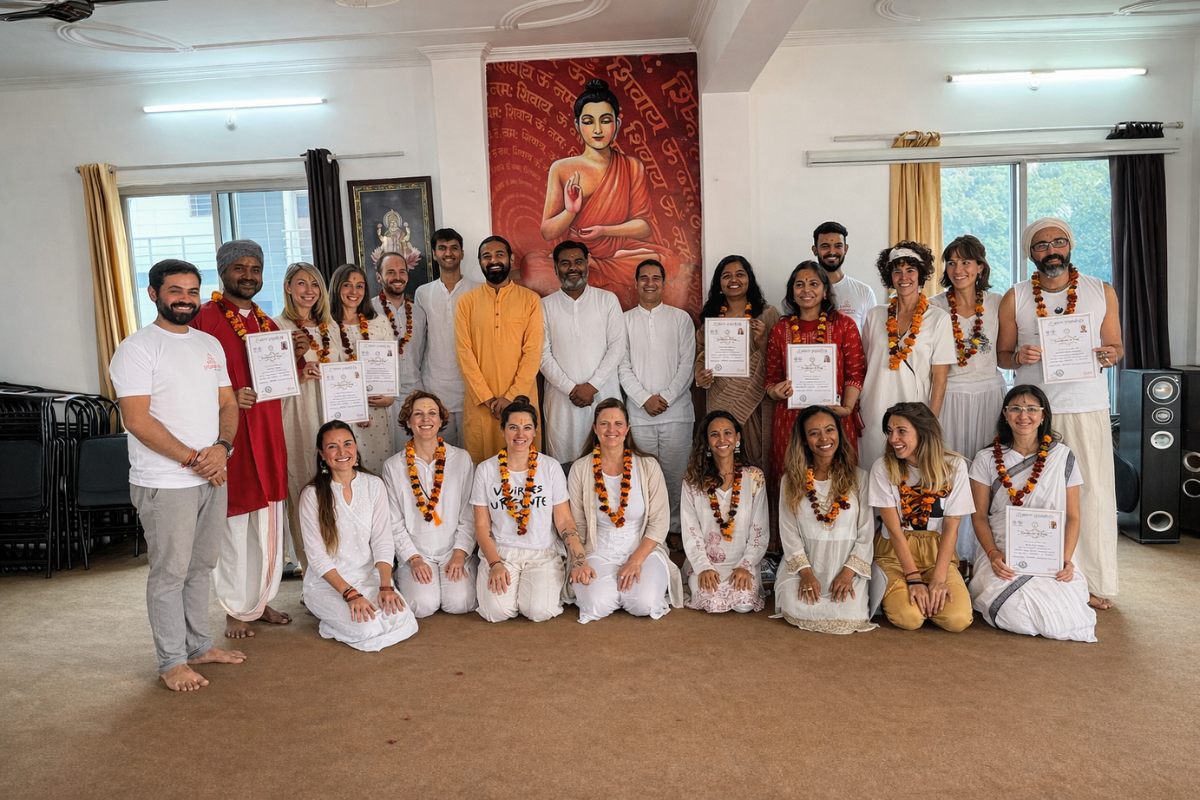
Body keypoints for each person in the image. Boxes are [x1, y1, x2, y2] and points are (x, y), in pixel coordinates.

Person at [110, 258, 246, 691]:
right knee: (170, 571)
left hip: (211, 473)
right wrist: (193, 459)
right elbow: (136, 419)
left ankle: (198, 645)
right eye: (175, 291)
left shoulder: (208, 345)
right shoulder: (137, 348)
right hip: (165, 481)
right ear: (154, 294)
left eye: (192, 291)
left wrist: (222, 450)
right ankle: (171, 662)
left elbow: (228, 404)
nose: (185, 300)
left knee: (201, 565)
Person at [997, 217, 1122, 611]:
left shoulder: (1100, 290)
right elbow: (1002, 355)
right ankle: (1044, 574)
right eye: (1041, 245)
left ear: (1069, 246)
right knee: (1038, 497)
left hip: (1086, 405)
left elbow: (1116, 347)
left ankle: (1096, 581)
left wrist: (1110, 355)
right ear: (1030, 254)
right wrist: (1017, 356)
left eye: (1058, 242)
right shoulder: (1014, 296)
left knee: (1094, 494)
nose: (1051, 250)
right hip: (1033, 413)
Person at [190, 239, 290, 638]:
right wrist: (229, 396)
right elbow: (191, 378)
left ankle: (260, 601)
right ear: (223, 272)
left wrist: (297, 357)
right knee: (235, 527)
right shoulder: (205, 318)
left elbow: (279, 379)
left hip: (268, 436)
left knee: (268, 524)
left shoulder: (267, 323)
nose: (248, 275)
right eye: (239, 268)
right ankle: (235, 608)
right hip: (230, 439)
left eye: (255, 268)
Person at [522, 78, 681, 309]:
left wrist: (604, 231)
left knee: (663, 263)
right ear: (577, 125)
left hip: (617, 255)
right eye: (588, 121)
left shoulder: (632, 166)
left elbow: (644, 225)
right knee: (531, 267)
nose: (597, 129)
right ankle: (592, 269)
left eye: (605, 120)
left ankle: (596, 269)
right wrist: (570, 211)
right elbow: (548, 232)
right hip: (578, 259)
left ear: (617, 123)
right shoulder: (562, 168)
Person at [967, 385, 1097, 642]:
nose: (1023, 415)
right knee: (1014, 613)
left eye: (1031, 409)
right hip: (1002, 551)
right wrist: (993, 555)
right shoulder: (985, 459)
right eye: (1015, 408)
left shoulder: (1062, 456)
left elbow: (1073, 516)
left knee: (1070, 610)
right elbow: (979, 515)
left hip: (1051, 553)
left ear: (1043, 415)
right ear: (1005, 414)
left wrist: (1066, 560)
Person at [299, 421, 419, 650]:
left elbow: (382, 540)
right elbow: (316, 557)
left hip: (369, 576)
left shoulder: (374, 485)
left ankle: (354, 612)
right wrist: (351, 594)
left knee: (404, 619)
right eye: (333, 447)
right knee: (368, 628)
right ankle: (329, 622)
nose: (342, 452)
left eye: (347, 444)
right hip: (329, 584)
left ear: (356, 447)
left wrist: (386, 587)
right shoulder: (312, 494)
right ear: (322, 454)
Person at [566, 399, 684, 623]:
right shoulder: (580, 469)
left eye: (618, 423)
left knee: (644, 604)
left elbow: (659, 523)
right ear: (594, 428)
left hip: (643, 549)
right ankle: (611, 590)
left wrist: (635, 561)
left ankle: (631, 588)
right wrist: (580, 561)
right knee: (595, 605)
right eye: (604, 424)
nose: (612, 430)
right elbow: (577, 525)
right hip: (597, 550)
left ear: (628, 428)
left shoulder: (648, 466)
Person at [929, 235, 1006, 567]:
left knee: (988, 472)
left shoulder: (998, 302)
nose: (959, 269)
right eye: (952, 262)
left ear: (980, 267)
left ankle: (985, 553)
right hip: (951, 397)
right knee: (951, 473)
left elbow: (1005, 352)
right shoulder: (933, 305)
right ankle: (952, 555)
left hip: (990, 394)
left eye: (966, 262)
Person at [869, 402, 974, 632]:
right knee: (909, 618)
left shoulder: (954, 466)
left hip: (938, 554)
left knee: (957, 620)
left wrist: (938, 578)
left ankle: (931, 596)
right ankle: (912, 595)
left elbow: (951, 527)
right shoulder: (883, 467)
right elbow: (894, 529)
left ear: (923, 432)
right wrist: (914, 579)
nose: (893, 438)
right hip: (895, 555)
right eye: (889, 431)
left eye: (901, 431)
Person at [471, 396, 577, 622]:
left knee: (539, 611)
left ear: (535, 431)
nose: (520, 435)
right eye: (513, 427)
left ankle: (530, 589)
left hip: (542, 554)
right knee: (496, 612)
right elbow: (481, 526)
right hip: (502, 553)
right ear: (502, 430)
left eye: (527, 427)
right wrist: (495, 563)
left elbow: (564, 520)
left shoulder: (550, 467)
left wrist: (578, 557)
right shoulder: (486, 470)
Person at [775, 406, 876, 634]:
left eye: (829, 430)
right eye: (814, 433)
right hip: (805, 566)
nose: (824, 438)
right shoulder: (790, 481)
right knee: (796, 606)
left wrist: (848, 573)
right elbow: (788, 532)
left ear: (839, 434)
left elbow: (866, 532)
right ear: (804, 440)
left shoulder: (860, 478)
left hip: (846, 566)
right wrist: (806, 574)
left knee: (851, 615)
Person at [617, 258, 696, 544]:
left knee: (675, 478)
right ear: (636, 283)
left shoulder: (680, 319)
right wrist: (643, 399)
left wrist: (664, 397)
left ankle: (673, 530)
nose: (649, 283)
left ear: (664, 283)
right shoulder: (623, 320)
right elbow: (621, 365)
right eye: (644, 278)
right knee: (643, 478)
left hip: (677, 415)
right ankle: (648, 532)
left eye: (656, 278)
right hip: (638, 416)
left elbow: (688, 364)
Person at [858, 242, 957, 469]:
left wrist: (929, 423)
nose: (904, 277)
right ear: (889, 276)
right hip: (873, 411)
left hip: (914, 416)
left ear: (921, 275)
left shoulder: (938, 318)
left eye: (910, 270)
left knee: (910, 479)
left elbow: (940, 380)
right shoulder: (875, 315)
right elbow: (861, 366)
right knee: (873, 472)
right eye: (897, 271)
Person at [765, 260, 866, 478]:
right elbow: (770, 380)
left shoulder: (844, 325)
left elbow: (856, 372)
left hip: (835, 416)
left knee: (837, 478)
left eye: (814, 283)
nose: (806, 290)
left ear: (825, 290)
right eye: (799, 284)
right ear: (792, 292)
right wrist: (776, 391)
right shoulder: (780, 330)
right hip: (790, 419)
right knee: (792, 479)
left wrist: (847, 408)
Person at [382, 391, 477, 617]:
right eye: (418, 414)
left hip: (453, 550)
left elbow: (469, 514)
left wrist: (460, 553)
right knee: (422, 606)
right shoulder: (393, 466)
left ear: (442, 419)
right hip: (416, 553)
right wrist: (413, 560)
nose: (426, 419)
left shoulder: (461, 459)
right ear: (408, 421)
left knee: (459, 603)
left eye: (432, 413)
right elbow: (393, 522)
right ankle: (408, 573)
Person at [274, 261, 341, 576]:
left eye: (315, 284)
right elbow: (267, 383)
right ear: (288, 287)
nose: (309, 291)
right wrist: (300, 376)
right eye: (301, 283)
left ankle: (338, 564)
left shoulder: (333, 328)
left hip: (331, 416)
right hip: (297, 417)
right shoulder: (274, 328)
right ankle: (309, 569)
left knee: (336, 490)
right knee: (303, 491)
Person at [455, 236, 545, 464]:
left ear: (511, 259)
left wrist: (511, 398)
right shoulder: (466, 302)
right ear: (479, 262)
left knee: (524, 469)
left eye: (499, 255)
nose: (493, 260)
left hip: (521, 401)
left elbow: (533, 353)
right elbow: (464, 354)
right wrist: (487, 398)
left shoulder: (531, 300)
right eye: (487, 256)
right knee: (483, 468)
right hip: (481, 406)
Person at [540, 239, 626, 463]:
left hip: (603, 395)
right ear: (556, 267)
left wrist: (593, 386)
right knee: (564, 466)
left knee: (608, 462)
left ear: (587, 264)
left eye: (578, 261)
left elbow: (617, 347)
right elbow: (541, 354)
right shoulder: (544, 305)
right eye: (565, 263)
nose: (572, 267)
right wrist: (571, 389)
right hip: (561, 402)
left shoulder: (607, 300)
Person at [695, 255, 780, 475]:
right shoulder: (712, 318)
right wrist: (700, 375)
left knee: (757, 458)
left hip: (756, 400)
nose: (734, 280)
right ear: (719, 283)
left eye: (740, 274)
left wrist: (762, 342)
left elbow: (780, 359)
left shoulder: (767, 314)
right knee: (724, 456)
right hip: (720, 396)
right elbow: (701, 354)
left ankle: (761, 508)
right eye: (727, 276)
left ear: (749, 279)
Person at [680, 411, 770, 613]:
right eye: (714, 434)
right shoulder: (693, 481)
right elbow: (690, 529)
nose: (722, 439)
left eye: (728, 432)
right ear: (707, 440)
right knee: (712, 603)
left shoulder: (755, 477)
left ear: (737, 437)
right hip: (704, 562)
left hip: (743, 561)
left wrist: (746, 566)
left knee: (745, 604)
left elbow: (760, 530)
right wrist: (703, 566)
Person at [414, 228, 479, 449]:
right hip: (435, 389)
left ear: (462, 253)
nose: (448, 253)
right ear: (434, 253)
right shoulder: (423, 293)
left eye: (454, 248)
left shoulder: (478, 291)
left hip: (472, 390)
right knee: (442, 457)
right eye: (442, 248)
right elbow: (420, 342)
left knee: (472, 456)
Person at [329, 262, 396, 474]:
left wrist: (390, 397)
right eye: (347, 285)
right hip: (339, 415)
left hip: (376, 414)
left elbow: (390, 370)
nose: (354, 291)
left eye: (359, 286)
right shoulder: (324, 325)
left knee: (374, 472)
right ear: (336, 288)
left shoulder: (380, 323)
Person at [372, 251, 427, 455]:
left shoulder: (419, 313)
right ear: (379, 277)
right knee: (386, 455)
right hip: (382, 397)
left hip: (414, 392)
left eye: (402, 271)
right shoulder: (368, 311)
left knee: (417, 453)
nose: (397, 277)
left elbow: (421, 354)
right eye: (391, 272)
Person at [811, 221, 877, 330]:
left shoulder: (864, 292)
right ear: (815, 250)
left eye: (838, 246)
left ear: (846, 249)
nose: (832, 252)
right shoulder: (805, 293)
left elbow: (872, 339)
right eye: (825, 246)